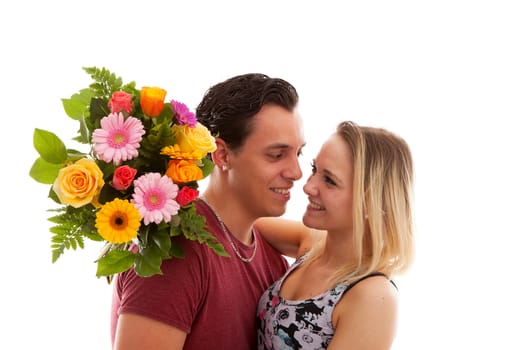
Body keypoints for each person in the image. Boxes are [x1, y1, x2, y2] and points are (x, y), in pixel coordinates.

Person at [111, 73, 309, 349]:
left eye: (298, 153)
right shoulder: (174, 252)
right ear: (223, 155)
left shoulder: (271, 258)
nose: (296, 173)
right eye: (276, 155)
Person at [256, 121, 415, 349]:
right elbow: (240, 219)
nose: (308, 187)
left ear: (369, 203)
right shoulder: (313, 245)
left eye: (329, 180)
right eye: (314, 170)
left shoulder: (372, 297)